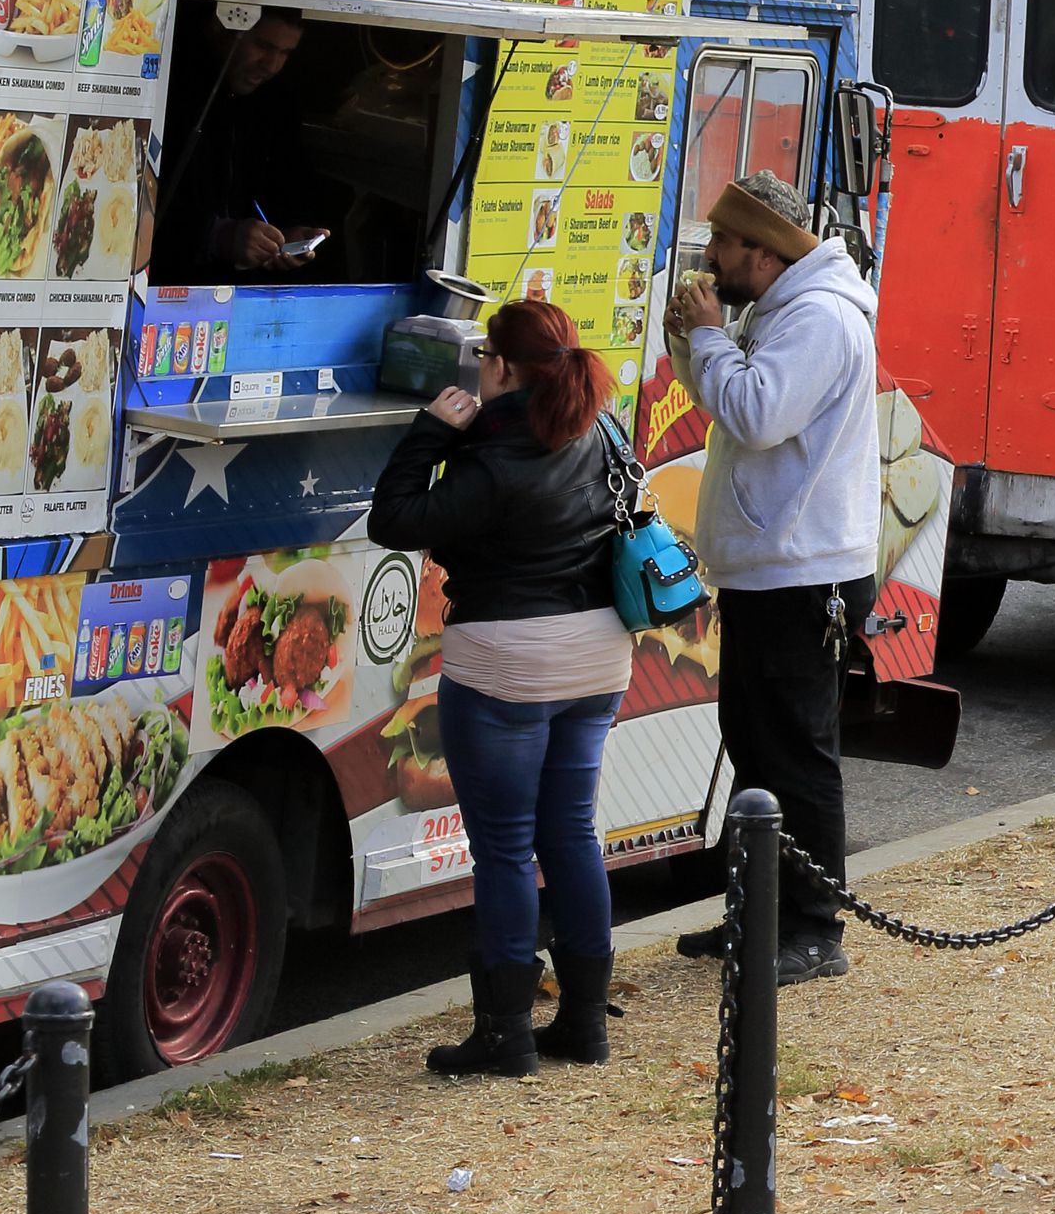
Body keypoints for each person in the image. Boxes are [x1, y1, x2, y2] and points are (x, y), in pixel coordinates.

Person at [366, 297, 628, 1077]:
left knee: (507, 850)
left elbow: (394, 518)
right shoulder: (600, 429)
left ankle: (505, 1035)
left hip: (508, 661)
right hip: (597, 658)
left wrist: (430, 432)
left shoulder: (491, 458)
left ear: (502, 368)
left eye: (485, 353)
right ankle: (583, 1024)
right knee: (572, 833)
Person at [664, 172, 888, 985]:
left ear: (763, 253)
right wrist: (694, 345)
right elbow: (734, 407)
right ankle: (758, 914)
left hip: (806, 572)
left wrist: (713, 338)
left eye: (724, 242)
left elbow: (757, 414)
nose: (712, 255)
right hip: (776, 569)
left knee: (795, 753)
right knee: (754, 744)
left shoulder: (820, 318)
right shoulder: (783, 310)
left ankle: (813, 928)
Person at [154, 8, 334, 282]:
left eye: (285, 53)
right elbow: (142, 200)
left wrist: (286, 235)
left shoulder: (276, 103)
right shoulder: (169, 88)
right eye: (263, 46)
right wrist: (216, 235)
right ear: (220, 29)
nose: (272, 65)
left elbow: (289, 185)